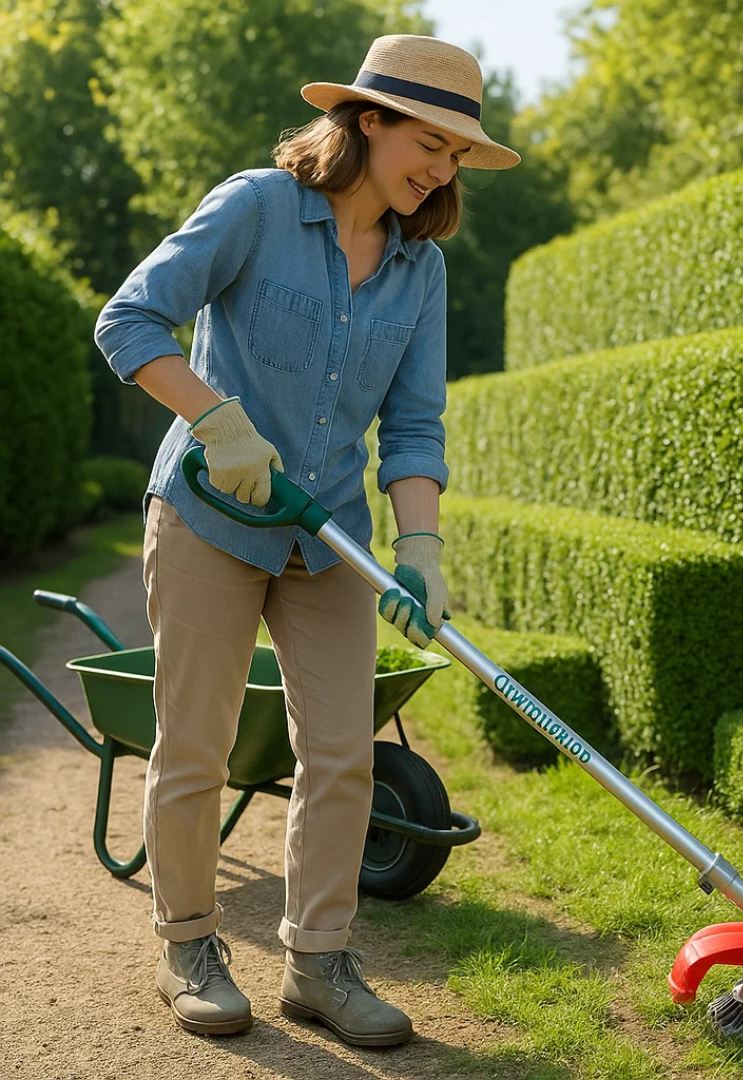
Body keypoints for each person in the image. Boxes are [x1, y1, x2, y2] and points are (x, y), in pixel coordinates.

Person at [93, 34, 520, 1047]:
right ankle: (188, 947)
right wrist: (217, 421)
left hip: (326, 535)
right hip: (212, 513)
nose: (442, 170)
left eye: (457, 155)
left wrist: (422, 548)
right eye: (430, 143)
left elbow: (413, 425)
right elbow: (129, 321)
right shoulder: (256, 207)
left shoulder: (422, 269)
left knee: (340, 755)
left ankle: (319, 962)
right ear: (367, 121)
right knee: (195, 747)